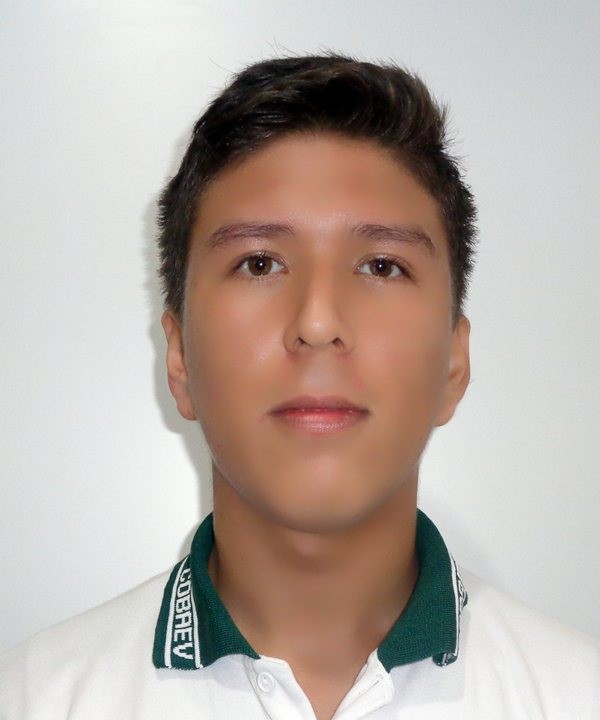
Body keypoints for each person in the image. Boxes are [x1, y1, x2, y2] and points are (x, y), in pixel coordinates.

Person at [1, 51, 598, 720]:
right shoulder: (33, 699)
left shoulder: (577, 696)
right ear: (179, 357)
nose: (317, 323)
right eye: (259, 263)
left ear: (454, 364)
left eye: (381, 265)